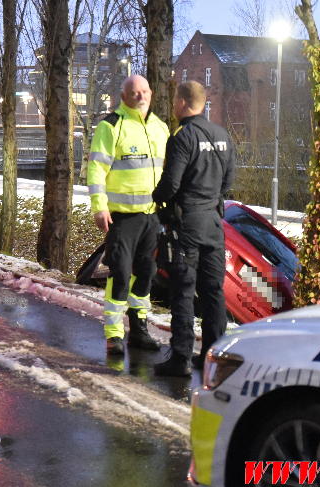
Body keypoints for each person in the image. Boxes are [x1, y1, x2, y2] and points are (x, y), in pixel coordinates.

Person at [152, 81, 235, 377]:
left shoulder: (182, 136)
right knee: (213, 291)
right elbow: (227, 183)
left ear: (184, 103)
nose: (174, 105)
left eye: (176, 100)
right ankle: (213, 355)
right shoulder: (222, 134)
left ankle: (180, 357)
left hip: (187, 224)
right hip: (214, 223)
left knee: (184, 291)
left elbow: (171, 183)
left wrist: (157, 198)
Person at [87, 75, 170, 355]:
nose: (140, 97)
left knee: (146, 273)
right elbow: (97, 169)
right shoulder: (110, 126)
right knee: (120, 274)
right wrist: (99, 206)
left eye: (144, 91)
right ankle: (113, 333)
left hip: (151, 216)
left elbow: (168, 172)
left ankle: (139, 328)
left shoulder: (160, 128)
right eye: (134, 93)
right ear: (123, 96)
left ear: (151, 93)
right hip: (121, 217)